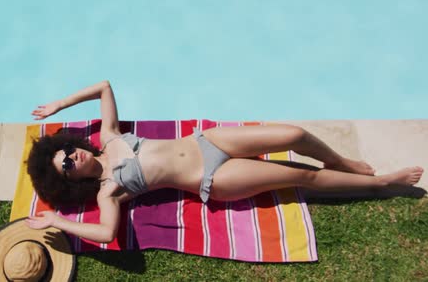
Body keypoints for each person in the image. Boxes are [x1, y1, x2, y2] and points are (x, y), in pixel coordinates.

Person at [24, 80, 424, 243]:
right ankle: (382, 183)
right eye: (67, 166)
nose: (72, 157)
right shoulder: (108, 192)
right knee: (303, 177)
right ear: (70, 181)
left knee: (295, 135)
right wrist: (59, 221)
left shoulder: (108, 137)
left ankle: (347, 163)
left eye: (67, 151)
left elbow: (104, 86)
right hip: (214, 176)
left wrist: (60, 104)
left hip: (208, 140)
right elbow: (107, 234)